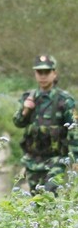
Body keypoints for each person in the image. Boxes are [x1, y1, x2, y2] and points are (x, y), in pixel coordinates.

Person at [13, 54, 77, 193]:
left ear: (54, 73)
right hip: (32, 161)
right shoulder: (28, 97)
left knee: (50, 195)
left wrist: (75, 158)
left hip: (56, 160)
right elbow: (18, 123)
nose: (43, 76)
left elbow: (74, 130)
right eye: (39, 72)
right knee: (36, 200)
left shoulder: (65, 100)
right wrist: (25, 110)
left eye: (46, 72)